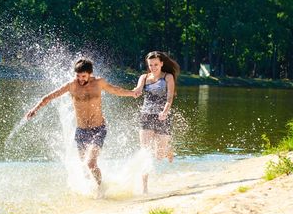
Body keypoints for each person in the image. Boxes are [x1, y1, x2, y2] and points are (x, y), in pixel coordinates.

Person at [26, 58, 139, 190]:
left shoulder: (99, 83)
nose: (80, 79)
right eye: (78, 76)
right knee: (85, 167)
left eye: (83, 76)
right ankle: (90, 191)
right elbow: (50, 96)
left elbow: (116, 90)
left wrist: (132, 93)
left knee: (91, 163)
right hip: (81, 131)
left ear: (90, 73)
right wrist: (35, 109)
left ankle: (100, 190)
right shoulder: (72, 86)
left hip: (98, 129)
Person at [133, 51, 180, 193]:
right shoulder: (144, 77)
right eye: (150, 65)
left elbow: (169, 98)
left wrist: (165, 112)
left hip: (162, 117)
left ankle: (167, 150)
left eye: (155, 64)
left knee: (159, 155)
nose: (153, 67)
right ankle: (144, 188)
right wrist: (135, 91)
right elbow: (139, 89)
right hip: (146, 116)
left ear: (161, 64)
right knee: (145, 152)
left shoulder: (168, 77)